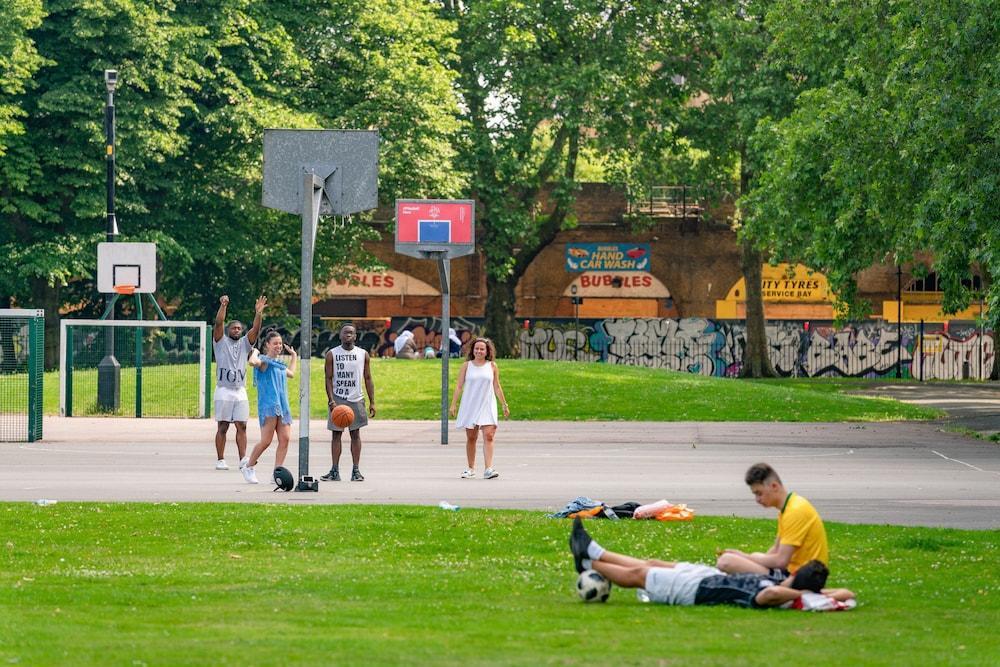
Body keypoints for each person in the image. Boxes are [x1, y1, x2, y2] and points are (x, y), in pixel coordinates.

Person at [569, 518, 854, 609]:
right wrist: (814, 595)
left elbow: (768, 595)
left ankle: (587, 563)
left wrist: (800, 595)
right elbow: (847, 594)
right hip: (708, 576)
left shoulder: (781, 595)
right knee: (654, 562)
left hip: (701, 590)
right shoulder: (798, 593)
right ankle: (593, 550)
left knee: (640, 574)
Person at [716, 462, 829, 578]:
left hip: (799, 578)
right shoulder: (789, 508)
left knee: (726, 562)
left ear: (774, 486)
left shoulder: (795, 511)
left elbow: (781, 561)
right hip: (794, 573)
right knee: (738, 559)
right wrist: (747, 559)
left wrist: (745, 557)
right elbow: (776, 550)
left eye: (759, 493)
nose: (757, 499)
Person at [211, 294, 265, 470]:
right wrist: (223, 306)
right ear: (228, 330)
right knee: (223, 426)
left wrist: (258, 313)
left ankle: (243, 459)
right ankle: (220, 459)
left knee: (242, 425)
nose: (236, 330)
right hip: (224, 389)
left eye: (239, 328)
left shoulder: (244, 344)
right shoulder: (220, 342)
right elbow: (218, 323)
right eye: (233, 328)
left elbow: (255, 331)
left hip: (240, 389)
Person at [240, 330, 297, 484]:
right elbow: (252, 362)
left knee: (285, 439)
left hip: (282, 405)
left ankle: (277, 472)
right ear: (267, 345)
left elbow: (291, 373)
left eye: (280, 343)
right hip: (269, 405)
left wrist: (294, 356)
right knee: (266, 441)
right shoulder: (264, 361)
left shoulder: (278, 364)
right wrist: (256, 352)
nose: (278, 346)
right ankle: (249, 466)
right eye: (275, 343)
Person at [321, 324, 376, 482]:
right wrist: (331, 400)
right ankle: (334, 470)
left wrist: (372, 402)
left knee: (355, 434)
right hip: (338, 398)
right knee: (336, 434)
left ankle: (356, 470)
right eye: (345, 333)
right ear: (340, 335)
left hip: (356, 398)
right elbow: (328, 378)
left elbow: (368, 378)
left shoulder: (362, 354)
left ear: (356, 336)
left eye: (351, 333)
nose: (348, 335)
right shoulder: (332, 354)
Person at [449, 337, 509, 480]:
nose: (479, 351)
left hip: (487, 404)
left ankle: (488, 468)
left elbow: (496, 386)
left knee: (489, 435)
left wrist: (504, 404)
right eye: (477, 348)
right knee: (472, 437)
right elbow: (459, 386)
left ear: (487, 351)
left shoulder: (492, 366)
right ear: (473, 350)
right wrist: (453, 404)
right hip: (470, 404)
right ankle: (470, 468)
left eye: (482, 349)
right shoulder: (466, 366)